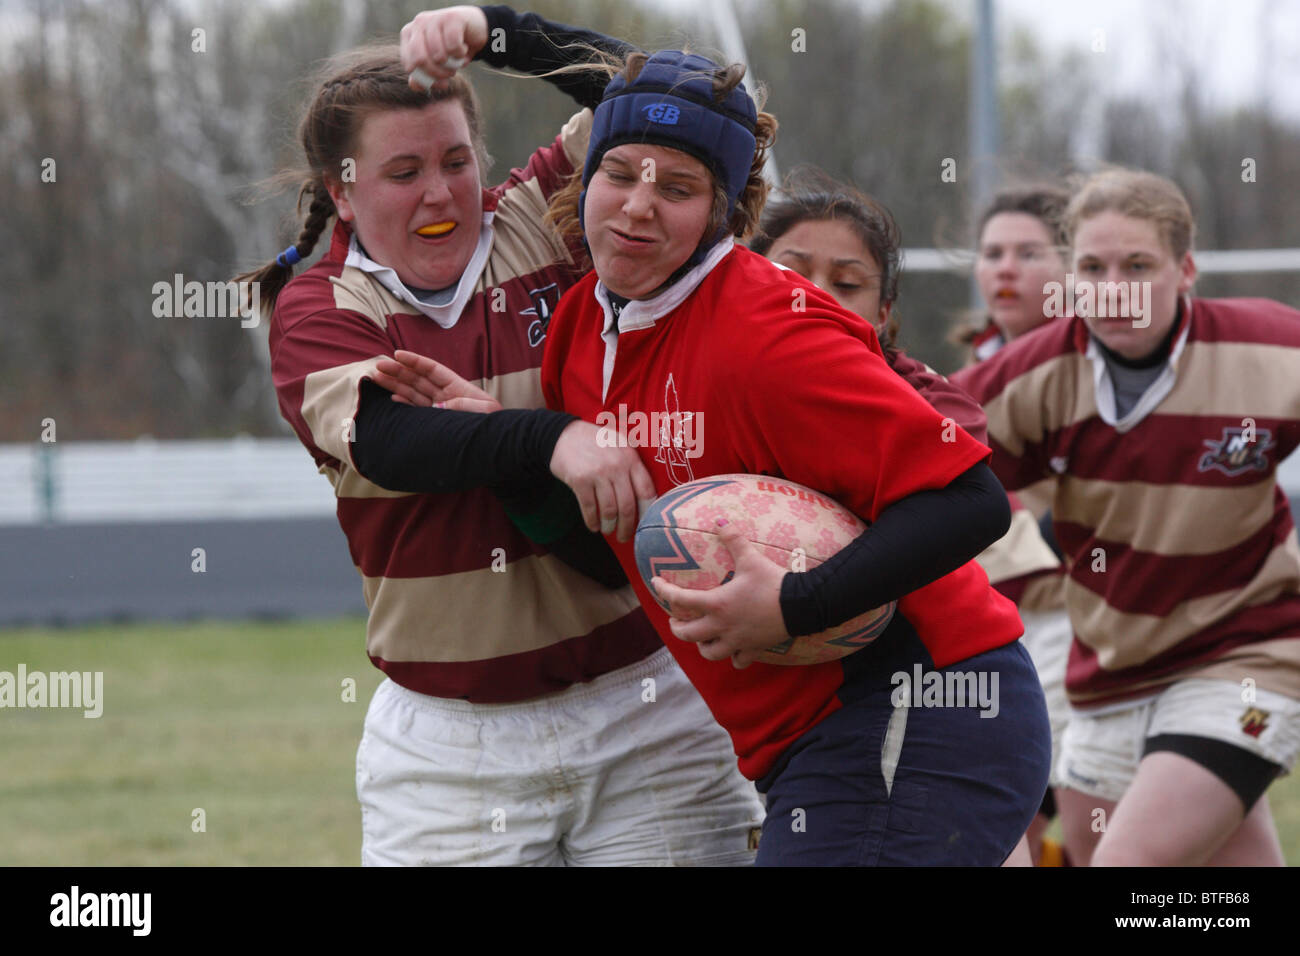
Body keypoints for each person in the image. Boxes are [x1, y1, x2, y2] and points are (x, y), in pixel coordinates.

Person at [237, 6, 763, 866]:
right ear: (343, 189)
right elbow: (396, 442)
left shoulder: (539, 216)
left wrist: (498, 32)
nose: (440, 192)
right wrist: (553, 440)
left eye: (454, 161)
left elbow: (664, 97)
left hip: (648, 707)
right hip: (451, 749)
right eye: (402, 172)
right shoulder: (321, 305)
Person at [537, 50, 1051, 866]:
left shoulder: (769, 335)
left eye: (676, 188)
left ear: (723, 214)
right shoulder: (576, 330)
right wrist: (508, 445)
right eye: (619, 172)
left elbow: (972, 501)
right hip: (810, 741)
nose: (637, 207)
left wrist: (797, 604)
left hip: (920, 711)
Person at [952, 167, 1300, 866]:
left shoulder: (1270, 350)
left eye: (1138, 266)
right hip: (1111, 667)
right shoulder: (1034, 377)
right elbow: (917, 452)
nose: (1114, 289)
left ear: (1186, 269)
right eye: (1093, 267)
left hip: (1246, 659)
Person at [967, 186, 1076, 866]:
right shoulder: (962, 376)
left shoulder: (1102, 365)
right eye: (992, 253)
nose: (1005, 268)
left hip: (1085, 624)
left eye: (1029, 253)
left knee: (1089, 816)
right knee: (1004, 819)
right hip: (992, 631)